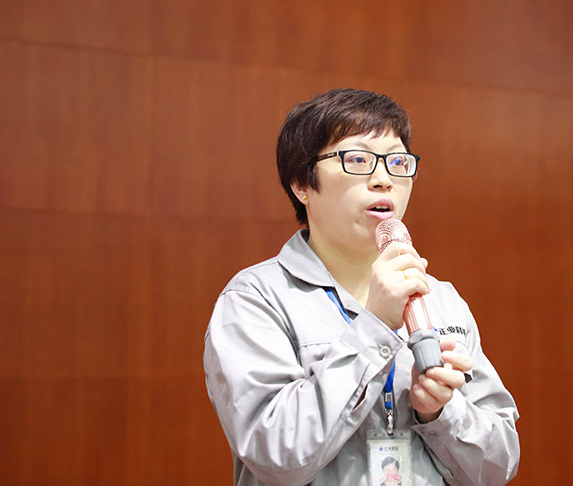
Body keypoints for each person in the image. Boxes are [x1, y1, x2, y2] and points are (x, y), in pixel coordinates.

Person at [204, 88, 520, 485]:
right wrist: (374, 327)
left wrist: (440, 413)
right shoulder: (256, 298)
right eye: (357, 160)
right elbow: (276, 455)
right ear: (302, 183)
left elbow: (497, 467)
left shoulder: (440, 299)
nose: (384, 180)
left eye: (398, 162)